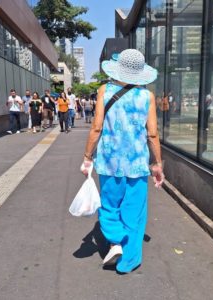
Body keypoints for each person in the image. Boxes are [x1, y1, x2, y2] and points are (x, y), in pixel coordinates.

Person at [81, 49, 164, 274]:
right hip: (137, 165)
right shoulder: (147, 96)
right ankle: (128, 261)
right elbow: (153, 134)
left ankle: (115, 239)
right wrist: (157, 164)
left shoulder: (104, 91)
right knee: (134, 212)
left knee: (109, 206)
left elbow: (96, 127)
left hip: (109, 162)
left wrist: (87, 157)